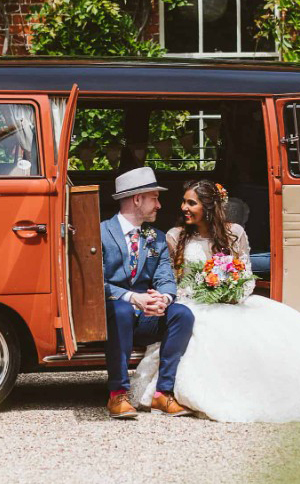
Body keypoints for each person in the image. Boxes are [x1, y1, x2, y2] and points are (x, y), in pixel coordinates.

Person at [130, 179, 300, 423]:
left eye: (191, 203)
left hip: (230, 300)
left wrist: (232, 292)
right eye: (184, 202)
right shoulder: (175, 235)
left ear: (209, 207)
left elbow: (245, 274)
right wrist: (192, 293)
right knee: (197, 327)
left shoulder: (235, 234)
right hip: (191, 301)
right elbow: (171, 279)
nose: (183, 208)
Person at [101, 167, 195, 419]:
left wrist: (163, 299)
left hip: (147, 318)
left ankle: (162, 393)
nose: (159, 205)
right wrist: (133, 298)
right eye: (154, 198)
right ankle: (117, 395)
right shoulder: (100, 233)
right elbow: (95, 282)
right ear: (137, 199)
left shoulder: (157, 237)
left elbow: (165, 277)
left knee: (182, 315)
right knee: (121, 309)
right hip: (113, 316)